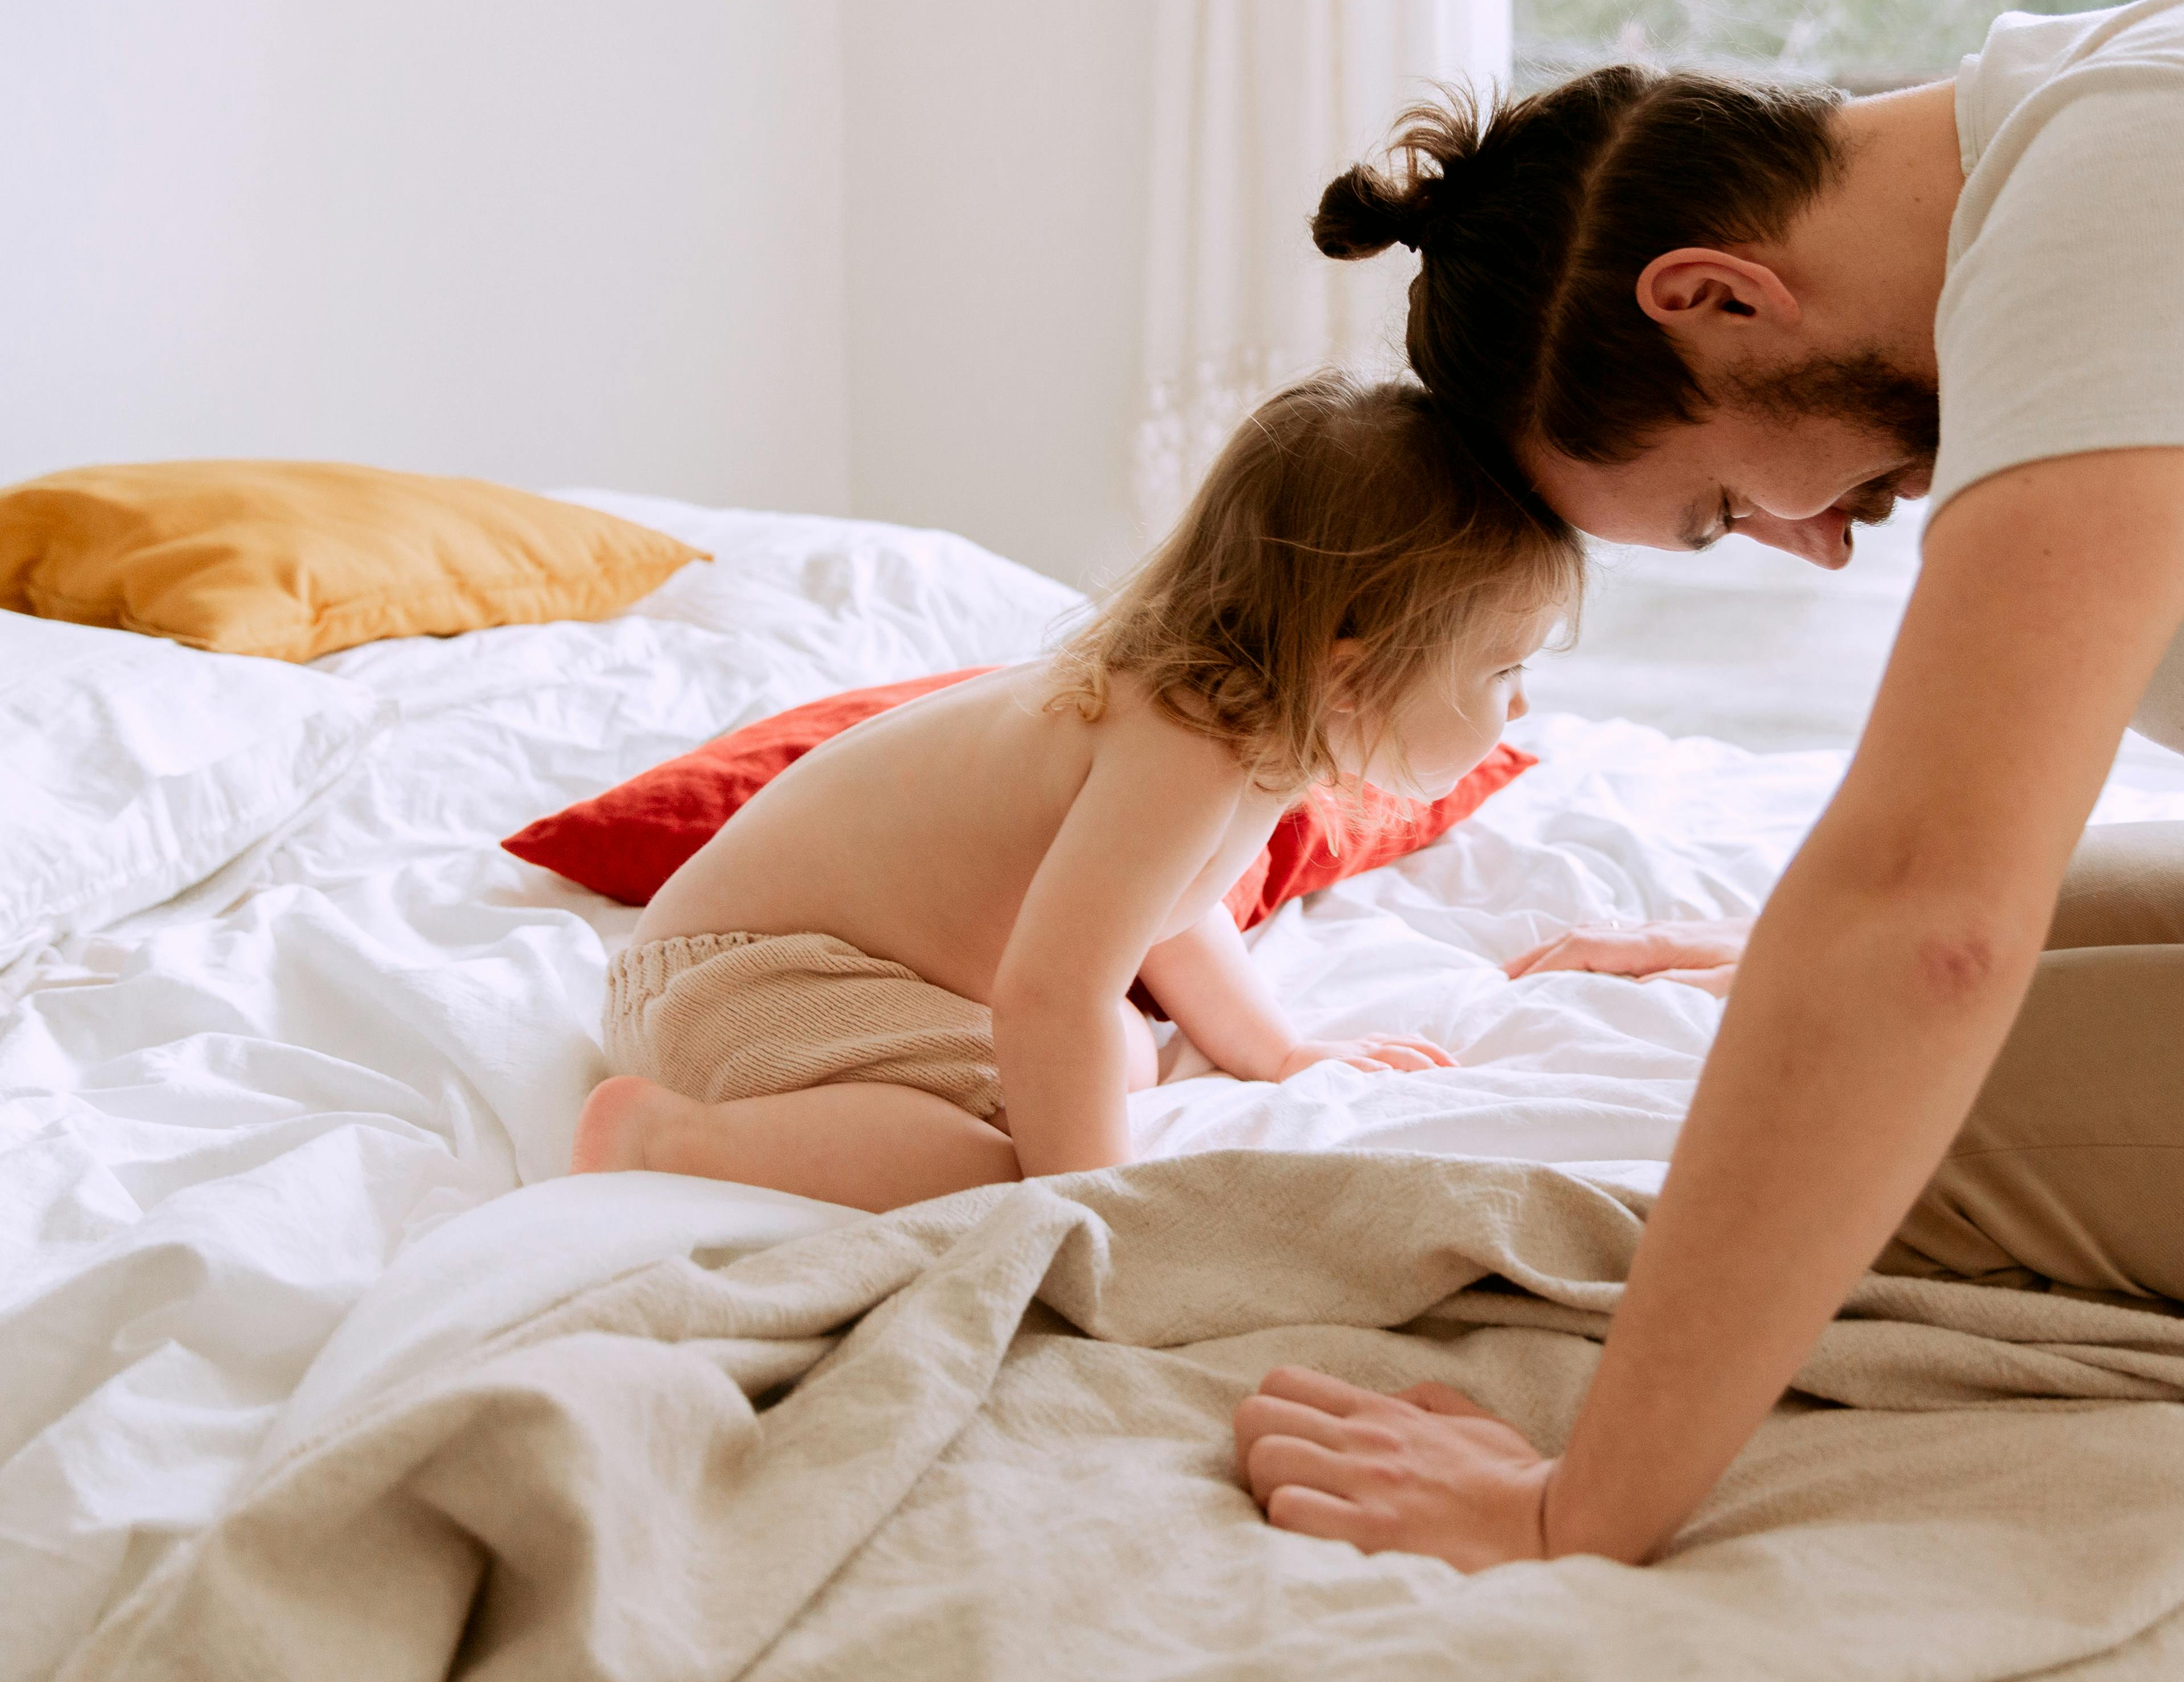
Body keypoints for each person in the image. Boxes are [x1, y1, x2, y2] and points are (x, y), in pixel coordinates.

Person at [1231, 0, 2184, 1565]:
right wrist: (1796, 975)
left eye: (1724, 508)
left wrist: (1573, 1508)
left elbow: (1930, 925)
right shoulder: (2121, 108)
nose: (1818, 541)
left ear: (1714, 295)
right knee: (1877, 989)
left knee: (1936, 1082)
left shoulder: (2148, 209)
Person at [572, 374, 1580, 1212]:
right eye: (1504, 672)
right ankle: (664, 1140)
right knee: (1006, 1163)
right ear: (1350, 675)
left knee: (1122, 1063)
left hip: (793, 976)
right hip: (734, 987)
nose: (1522, 703)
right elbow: (1054, 997)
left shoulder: (1243, 725)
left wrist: (1280, 1055)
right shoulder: (1184, 747)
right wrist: (1101, 1211)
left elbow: (1166, 914)